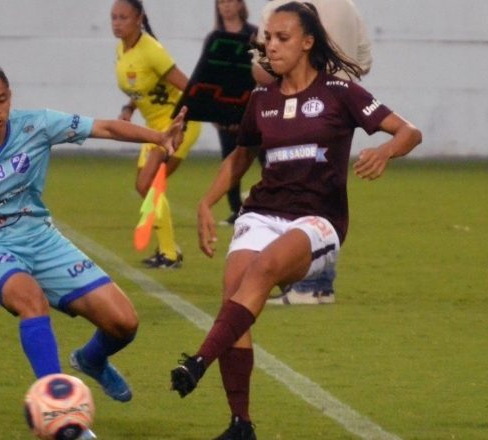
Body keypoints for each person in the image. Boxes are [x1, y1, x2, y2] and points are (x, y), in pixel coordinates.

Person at [168, 3, 421, 438]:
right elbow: (242, 155)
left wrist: (383, 151)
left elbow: (408, 131)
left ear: (308, 43)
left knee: (263, 268)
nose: (271, 45)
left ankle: (198, 361)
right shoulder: (262, 100)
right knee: (235, 292)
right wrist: (206, 203)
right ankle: (240, 424)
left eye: (282, 38)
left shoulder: (341, 93)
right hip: (264, 211)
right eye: (269, 37)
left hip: (318, 220)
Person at [0, 62, 185, 439]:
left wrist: (159, 137)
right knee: (31, 299)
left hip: (41, 239)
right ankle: (61, 415)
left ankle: (91, 359)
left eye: (2, 100)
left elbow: (106, 127)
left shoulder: (37, 125)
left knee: (124, 323)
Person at [252, 0, 373, 305]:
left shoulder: (279, 11)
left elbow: (261, 69)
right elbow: (364, 62)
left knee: (295, 191)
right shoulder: (349, 7)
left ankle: (302, 282)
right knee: (327, 192)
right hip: (340, 112)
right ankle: (321, 283)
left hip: (301, 105)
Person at [111, 0, 203, 268]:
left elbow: (189, 87)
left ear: (138, 18)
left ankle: (170, 253)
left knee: (148, 184)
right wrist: (128, 108)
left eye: (123, 17)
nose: (117, 23)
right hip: (153, 129)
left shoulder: (151, 50)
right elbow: (140, 89)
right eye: (114, 17)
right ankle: (169, 251)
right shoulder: (122, 49)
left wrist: (180, 126)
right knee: (146, 186)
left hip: (174, 125)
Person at [209, 0, 259, 225]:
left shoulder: (254, 34)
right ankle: (235, 209)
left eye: (230, 1)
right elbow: (208, 74)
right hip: (224, 109)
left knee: (266, 158)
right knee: (230, 159)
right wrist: (214, 112)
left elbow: (261, 72)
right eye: (221, 2)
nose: (226, 6)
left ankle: (274, 203)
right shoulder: (215, 37)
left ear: (240, 5)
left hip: (251, 106)